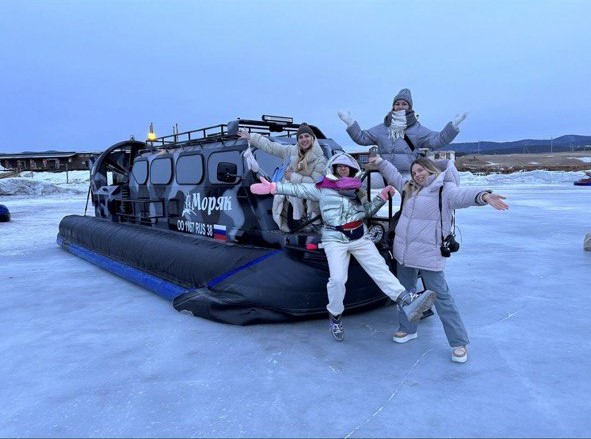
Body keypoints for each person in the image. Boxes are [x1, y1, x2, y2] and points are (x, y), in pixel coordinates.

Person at [249, 152, 437, 342]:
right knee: (337, 279)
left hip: (359, 236)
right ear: (334, 169)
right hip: (335, 238)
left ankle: (405, 299)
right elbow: (299, 189)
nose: (343, 169)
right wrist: (274, 187)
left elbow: (367, 212)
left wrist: (381, 197)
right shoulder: (322, 188)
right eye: (339, 166)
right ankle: (335, 316)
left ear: (352, 169)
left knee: (379, 268)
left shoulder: (357, 189)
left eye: (346, 166)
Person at [371, 154, 509, 363]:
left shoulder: (444, 189)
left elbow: (462, 196)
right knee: (406, 294)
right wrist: (381, 162)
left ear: (430, 169)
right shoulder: (409, 188)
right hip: (403, 253)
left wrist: (484, 196)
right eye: (414, 172)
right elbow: (395, 177)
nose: (417, 175)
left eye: (421, 170)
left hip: (428, 254)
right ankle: (408, 329)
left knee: (442, 298)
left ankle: (458, 342)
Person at [338, 88, 467, 174]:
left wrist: (452, 127)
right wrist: (351, 124)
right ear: (393, 106)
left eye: (404, 104)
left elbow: (437, 140)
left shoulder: (417, 129)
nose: (400, 106)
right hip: (385, 173)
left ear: (409, 107)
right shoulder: (382, 128)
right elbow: (362, 138)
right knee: (362, 184)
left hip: (409, 174)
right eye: (397, 103)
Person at [238, 123, 326, 232]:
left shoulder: (320, 159)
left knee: (300, 194)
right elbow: (271, 147)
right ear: (297, 140)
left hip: (311, 197)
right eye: (301, 137)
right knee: (293, 195)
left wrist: (293, 176)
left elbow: (315, 182)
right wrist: (251, 137)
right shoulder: (291, 151)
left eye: (307, 136)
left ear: (312, 138)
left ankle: (313, 222)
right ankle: (299, 221)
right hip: (292, 197)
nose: (304, 139)